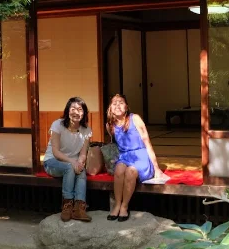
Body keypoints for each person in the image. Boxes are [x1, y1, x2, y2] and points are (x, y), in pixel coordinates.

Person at [105, 94, 160, 222]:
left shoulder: (135, 118)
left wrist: (156, 168)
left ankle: (124, 206)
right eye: (114, 103)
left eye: (121, 102)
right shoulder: (110, 125)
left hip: (141, 156)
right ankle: (117, 204)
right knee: (118, 170)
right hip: (124, 157)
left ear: (127, 106)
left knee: (130, 172)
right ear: (110, 108)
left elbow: (147, 142)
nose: (117, 105)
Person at [43, 97, 92, 222]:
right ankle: (67, 206)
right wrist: (72, 162)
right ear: (67, 111)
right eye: (73, 109)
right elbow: (56, 152)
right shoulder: (57, 125)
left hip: (73, 162)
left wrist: (80, 163)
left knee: (81, 171)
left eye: (80, 109)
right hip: (52, 162)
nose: (76, 112)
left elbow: (83, 153)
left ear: (84, 113)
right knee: (70, 167)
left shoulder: (86, 130)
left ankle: (79, 208)